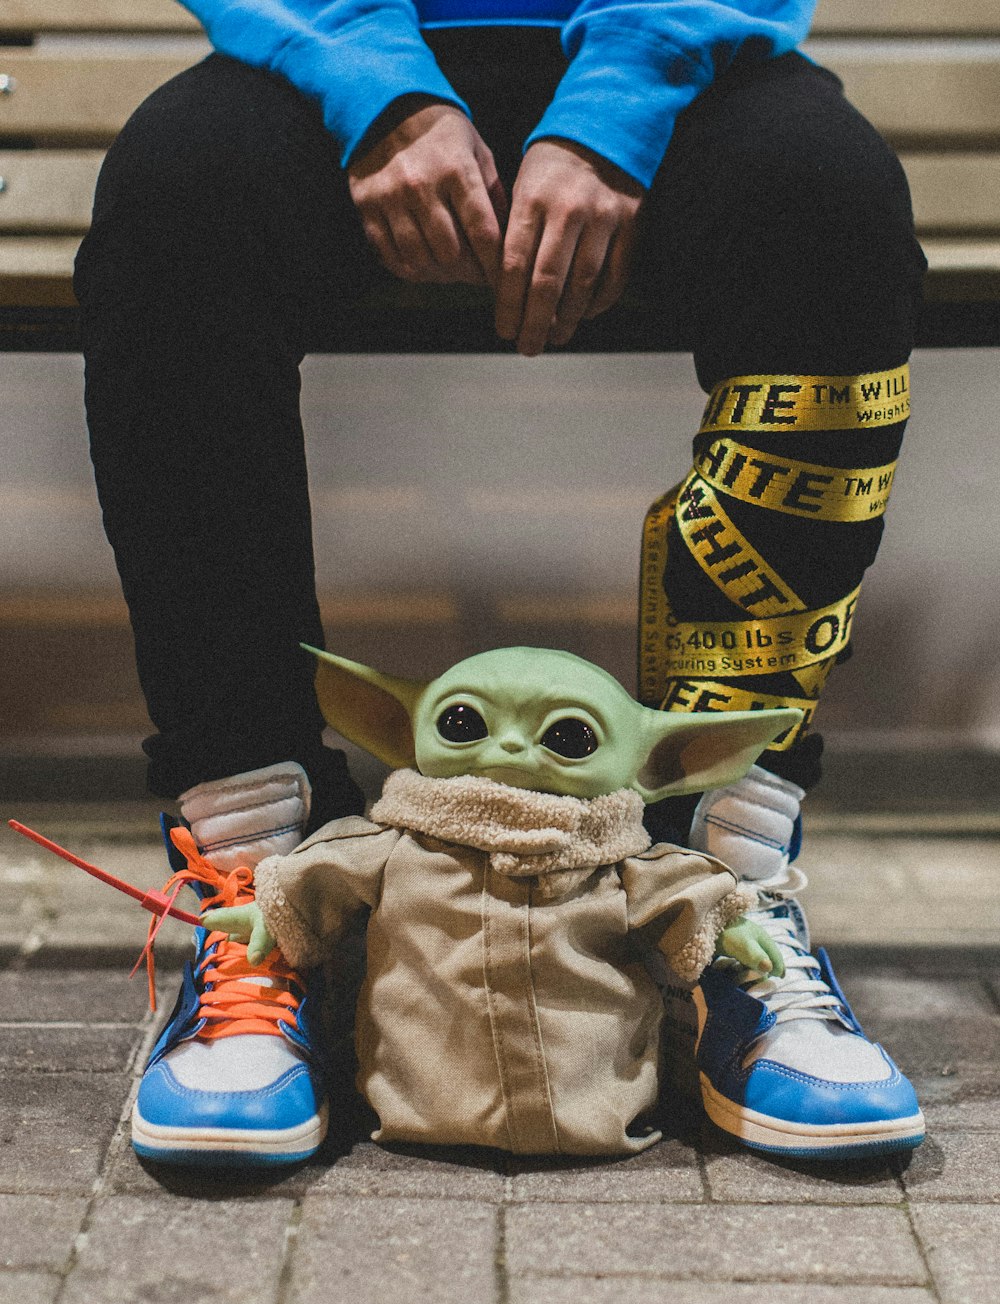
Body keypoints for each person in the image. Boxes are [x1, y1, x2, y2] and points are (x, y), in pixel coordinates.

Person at [73, 0, 928, 1168]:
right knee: (177, 192)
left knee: (825, 193)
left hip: (673, 55)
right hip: (338, 60)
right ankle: (262, 883)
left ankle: (729, 887)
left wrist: (615, 106)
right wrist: (381, 92)